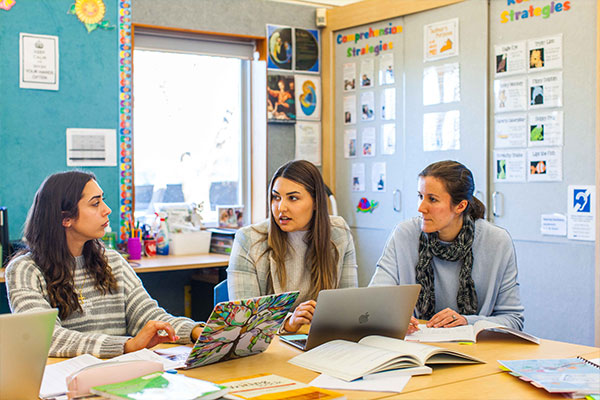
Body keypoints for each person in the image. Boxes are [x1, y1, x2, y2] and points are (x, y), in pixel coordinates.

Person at [5, 171, 204, 358]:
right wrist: (125, 346)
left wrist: (197, 332)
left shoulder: (113, 261)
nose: (107, 210)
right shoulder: (24, 270)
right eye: (95, 204)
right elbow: (46, 338)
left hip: (119, 373)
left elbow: (147, 316)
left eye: (103, 201)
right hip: (66, 383)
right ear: (66, 218)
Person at [369, 160, 524, 332]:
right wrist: (392, 318)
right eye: (420, 196)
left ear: (461, 206)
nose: (421, 208)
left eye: (432, 199)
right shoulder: (404, 234)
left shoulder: (496, 241)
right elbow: (376, 301)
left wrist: (467, 322)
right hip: (414, 346)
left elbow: (513, 319)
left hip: (475, 349)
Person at [227, 160, 358, 333]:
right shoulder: (248, 239)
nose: (281, 207)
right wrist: (289, 323)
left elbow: (349, 305)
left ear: (316, 202)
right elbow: (243, 322)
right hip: (268, 347)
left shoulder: (338, 232)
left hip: (319, 340)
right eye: (276, 197)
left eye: (293, 198)